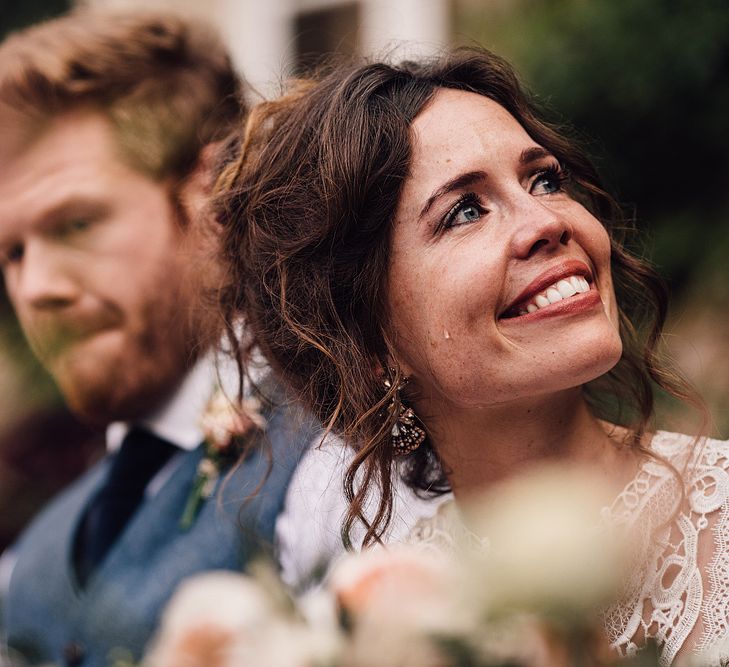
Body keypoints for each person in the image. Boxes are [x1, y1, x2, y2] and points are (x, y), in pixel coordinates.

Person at [214, 48, 729, 663]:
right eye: (464, 211)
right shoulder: (388, 629)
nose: (546, 221)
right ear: (371, 343)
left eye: (545, 179)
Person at [0, 10, 316, 666]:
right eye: (11, 253)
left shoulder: (348, 450)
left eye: (75, 224)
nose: (35, 289)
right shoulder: (31, 559)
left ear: (210, 192)